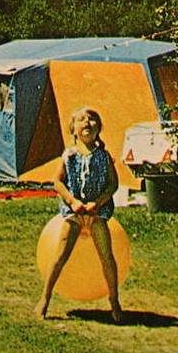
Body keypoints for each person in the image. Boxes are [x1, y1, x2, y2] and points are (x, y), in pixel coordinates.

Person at [35, 106, 124, 323]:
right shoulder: (69, 155)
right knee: (59, 257)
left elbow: (113, 184)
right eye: (81, 119)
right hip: (74, 212)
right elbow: (57, 182)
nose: (87, 122)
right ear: (73, 129)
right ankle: (44, 298)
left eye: (92, 119)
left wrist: (98, 202)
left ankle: (114, 301)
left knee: (107, 257)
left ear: (99, 128)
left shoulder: (104, 156)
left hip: (97, 213)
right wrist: (73, 201)